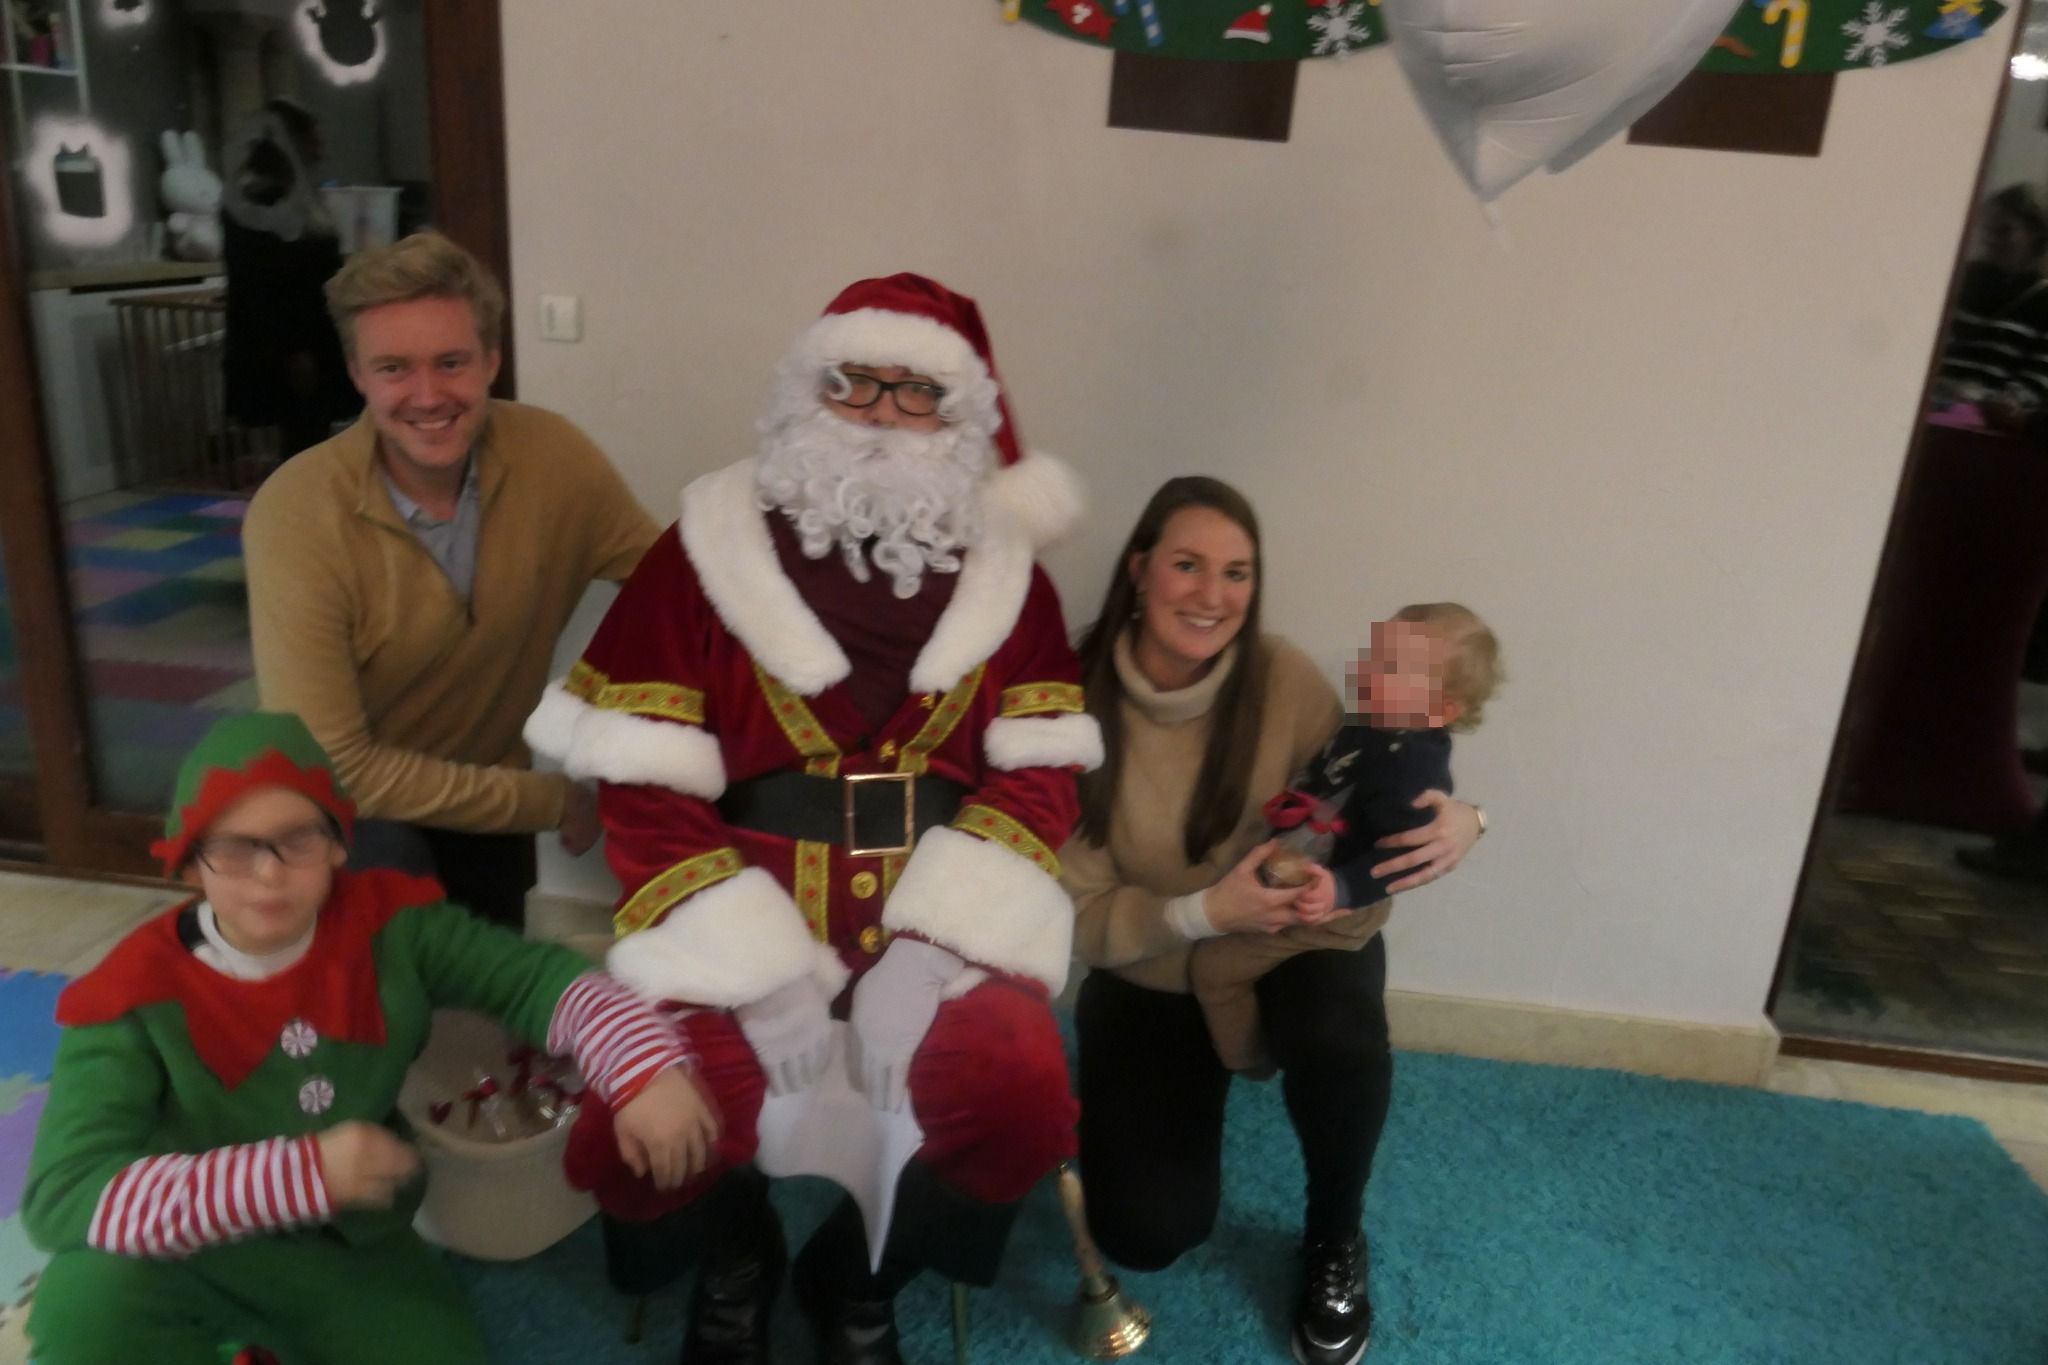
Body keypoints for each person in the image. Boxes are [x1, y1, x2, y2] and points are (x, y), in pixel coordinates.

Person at [522, 273, 1099, 1364]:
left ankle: (858, 1275)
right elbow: (644, 788)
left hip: (937, 928)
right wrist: (758, 972)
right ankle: (740, 1254)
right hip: (740, 912)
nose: (882, 412)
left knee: (1022, 1100)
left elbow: (1041, 779)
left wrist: (929, 953)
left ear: (958, 415)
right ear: (807, 391)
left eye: (917, 391)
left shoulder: (1011, 575)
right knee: (626, 1124)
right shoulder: (705, 546)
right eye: (854, 382)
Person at [19, 712, 718, 1365]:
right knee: (85, 1305)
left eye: (297, 839)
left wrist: (644, 1067)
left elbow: (534, 977)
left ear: (336, 845)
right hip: (190, 1252)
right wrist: (300, 1175)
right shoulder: (130, 994)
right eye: (234, 847)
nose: (269, 873)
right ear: (191, 859)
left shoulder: (393, 927)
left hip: (352, 1251)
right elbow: (64, 1192)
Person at [1061, 477, 1486, 1365]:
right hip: (1149, 967)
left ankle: (1336, 1233)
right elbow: (1075, 914)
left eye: (1237, 572)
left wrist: (1469, 817)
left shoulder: (1284, 677)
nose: (1212, 595)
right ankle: (1206, 1075)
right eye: (1187, 564)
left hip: (1288, 942)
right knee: (1146, 1232)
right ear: (1138, 569)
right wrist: (1204, 911)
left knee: (1336, 1032)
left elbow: (1384, 782)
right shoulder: (1068, 703)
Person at [242, 231, 660, 929]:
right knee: (395, 959)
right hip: (341, 815)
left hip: (481, 801)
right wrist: (555, 800)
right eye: (394, 368)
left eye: (451, 362)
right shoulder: (295, 511)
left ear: (491, 360)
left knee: (489, 979)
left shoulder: (554, 456)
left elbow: (675, 586)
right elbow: (338, 765)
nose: (428, 394)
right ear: (357, 373)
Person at [1190, 602, 1502, 1076]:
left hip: (1336, 908)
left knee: (1212, 968)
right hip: (1302, 869)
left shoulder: (1412, 769)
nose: (1369, 674)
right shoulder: (1372, 723)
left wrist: (1341, 889)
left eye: (1393, 670)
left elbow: (1410, 858)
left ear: (1441, 709)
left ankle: (1249, 1061)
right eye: (1374, 657)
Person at [220, 98, 361, 458]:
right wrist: (294, 349)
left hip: (306, 337)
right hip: (294, 343)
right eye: (313, 137)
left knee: (309, 432)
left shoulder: (282, 197)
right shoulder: (266, 201)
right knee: (303, 434)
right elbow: (271, 283)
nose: (321, 146)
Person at [1934, 184, 2048, 430]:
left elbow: (2035, 382)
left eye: (2004, 231)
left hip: (1982, 421)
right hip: (1931, 402)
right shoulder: (1961, 279)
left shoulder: (2043, 300)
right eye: (1988, 230)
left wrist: (2001, 403)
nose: (1992, 240)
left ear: (2036, 234)